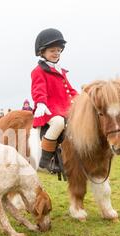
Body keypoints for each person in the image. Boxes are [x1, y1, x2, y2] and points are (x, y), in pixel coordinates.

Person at [31, 28, 78, 171]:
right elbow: (38, 89)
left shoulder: (61, 71)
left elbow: (70, 90)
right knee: (58, 123)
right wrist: (40, 103)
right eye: (52, 51)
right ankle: (46, 158)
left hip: (65, 108)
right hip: (48, 109)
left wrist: (81, 99)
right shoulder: (38, 71)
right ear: (42, 52)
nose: (56, 53)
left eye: (58, 50)